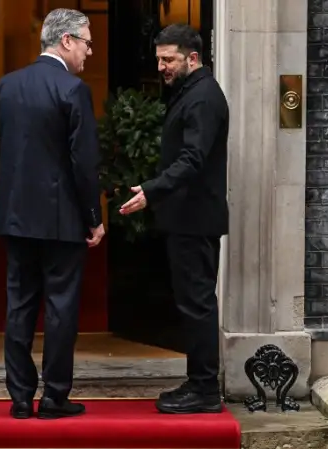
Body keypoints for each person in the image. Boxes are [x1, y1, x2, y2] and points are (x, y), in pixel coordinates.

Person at [0, 8, 105, 420]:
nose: (90, 52)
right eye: (87, 42)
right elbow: (83, 163)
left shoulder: (7, 86)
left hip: (17, 216)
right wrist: (94, 216)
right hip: (61, 221)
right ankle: (54, 397)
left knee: (19, 305)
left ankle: (20, 397)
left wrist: (19, 195)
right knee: (60, 308)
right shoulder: (74, 91)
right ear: (66, 40)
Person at [119, 23, 230, 414]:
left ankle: (204, 390)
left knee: (197, 302)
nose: (163, 67)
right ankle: (199, 382)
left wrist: (153, 190)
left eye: (169, 59)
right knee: (192, 301)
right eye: (160, 59)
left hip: (194, 219)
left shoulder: (202, 98)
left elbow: (193, 159)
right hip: (188, 218)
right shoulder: (192, 92)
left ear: (193, 57)